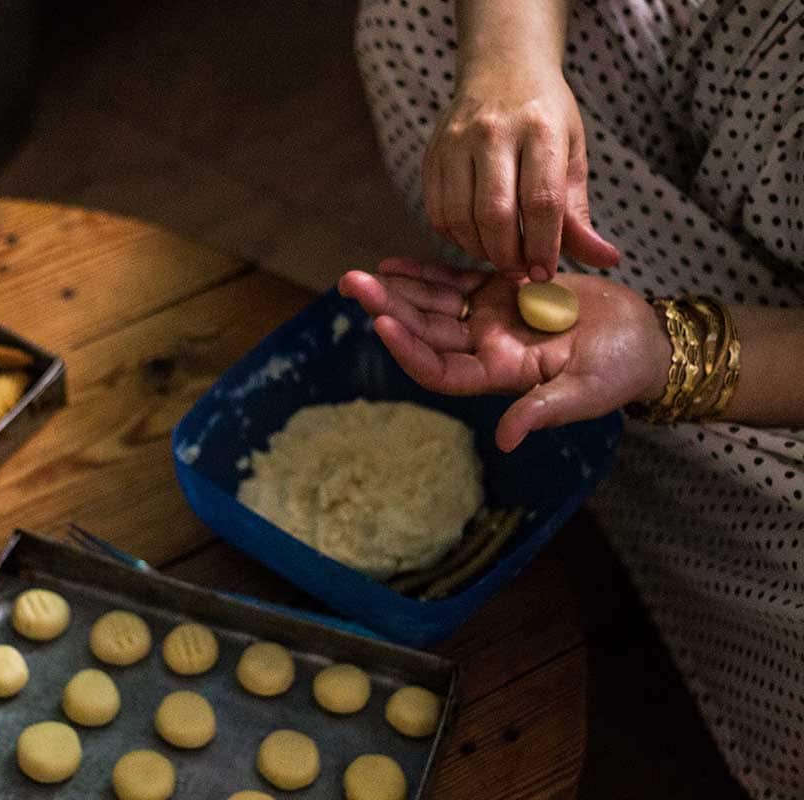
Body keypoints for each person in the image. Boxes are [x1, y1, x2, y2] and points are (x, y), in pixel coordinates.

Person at [340, 1, 804, 796]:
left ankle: (643, 473)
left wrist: (668, 351)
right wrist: (509, 62)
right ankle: (624, 458)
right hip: (735, 61)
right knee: (416, 20)